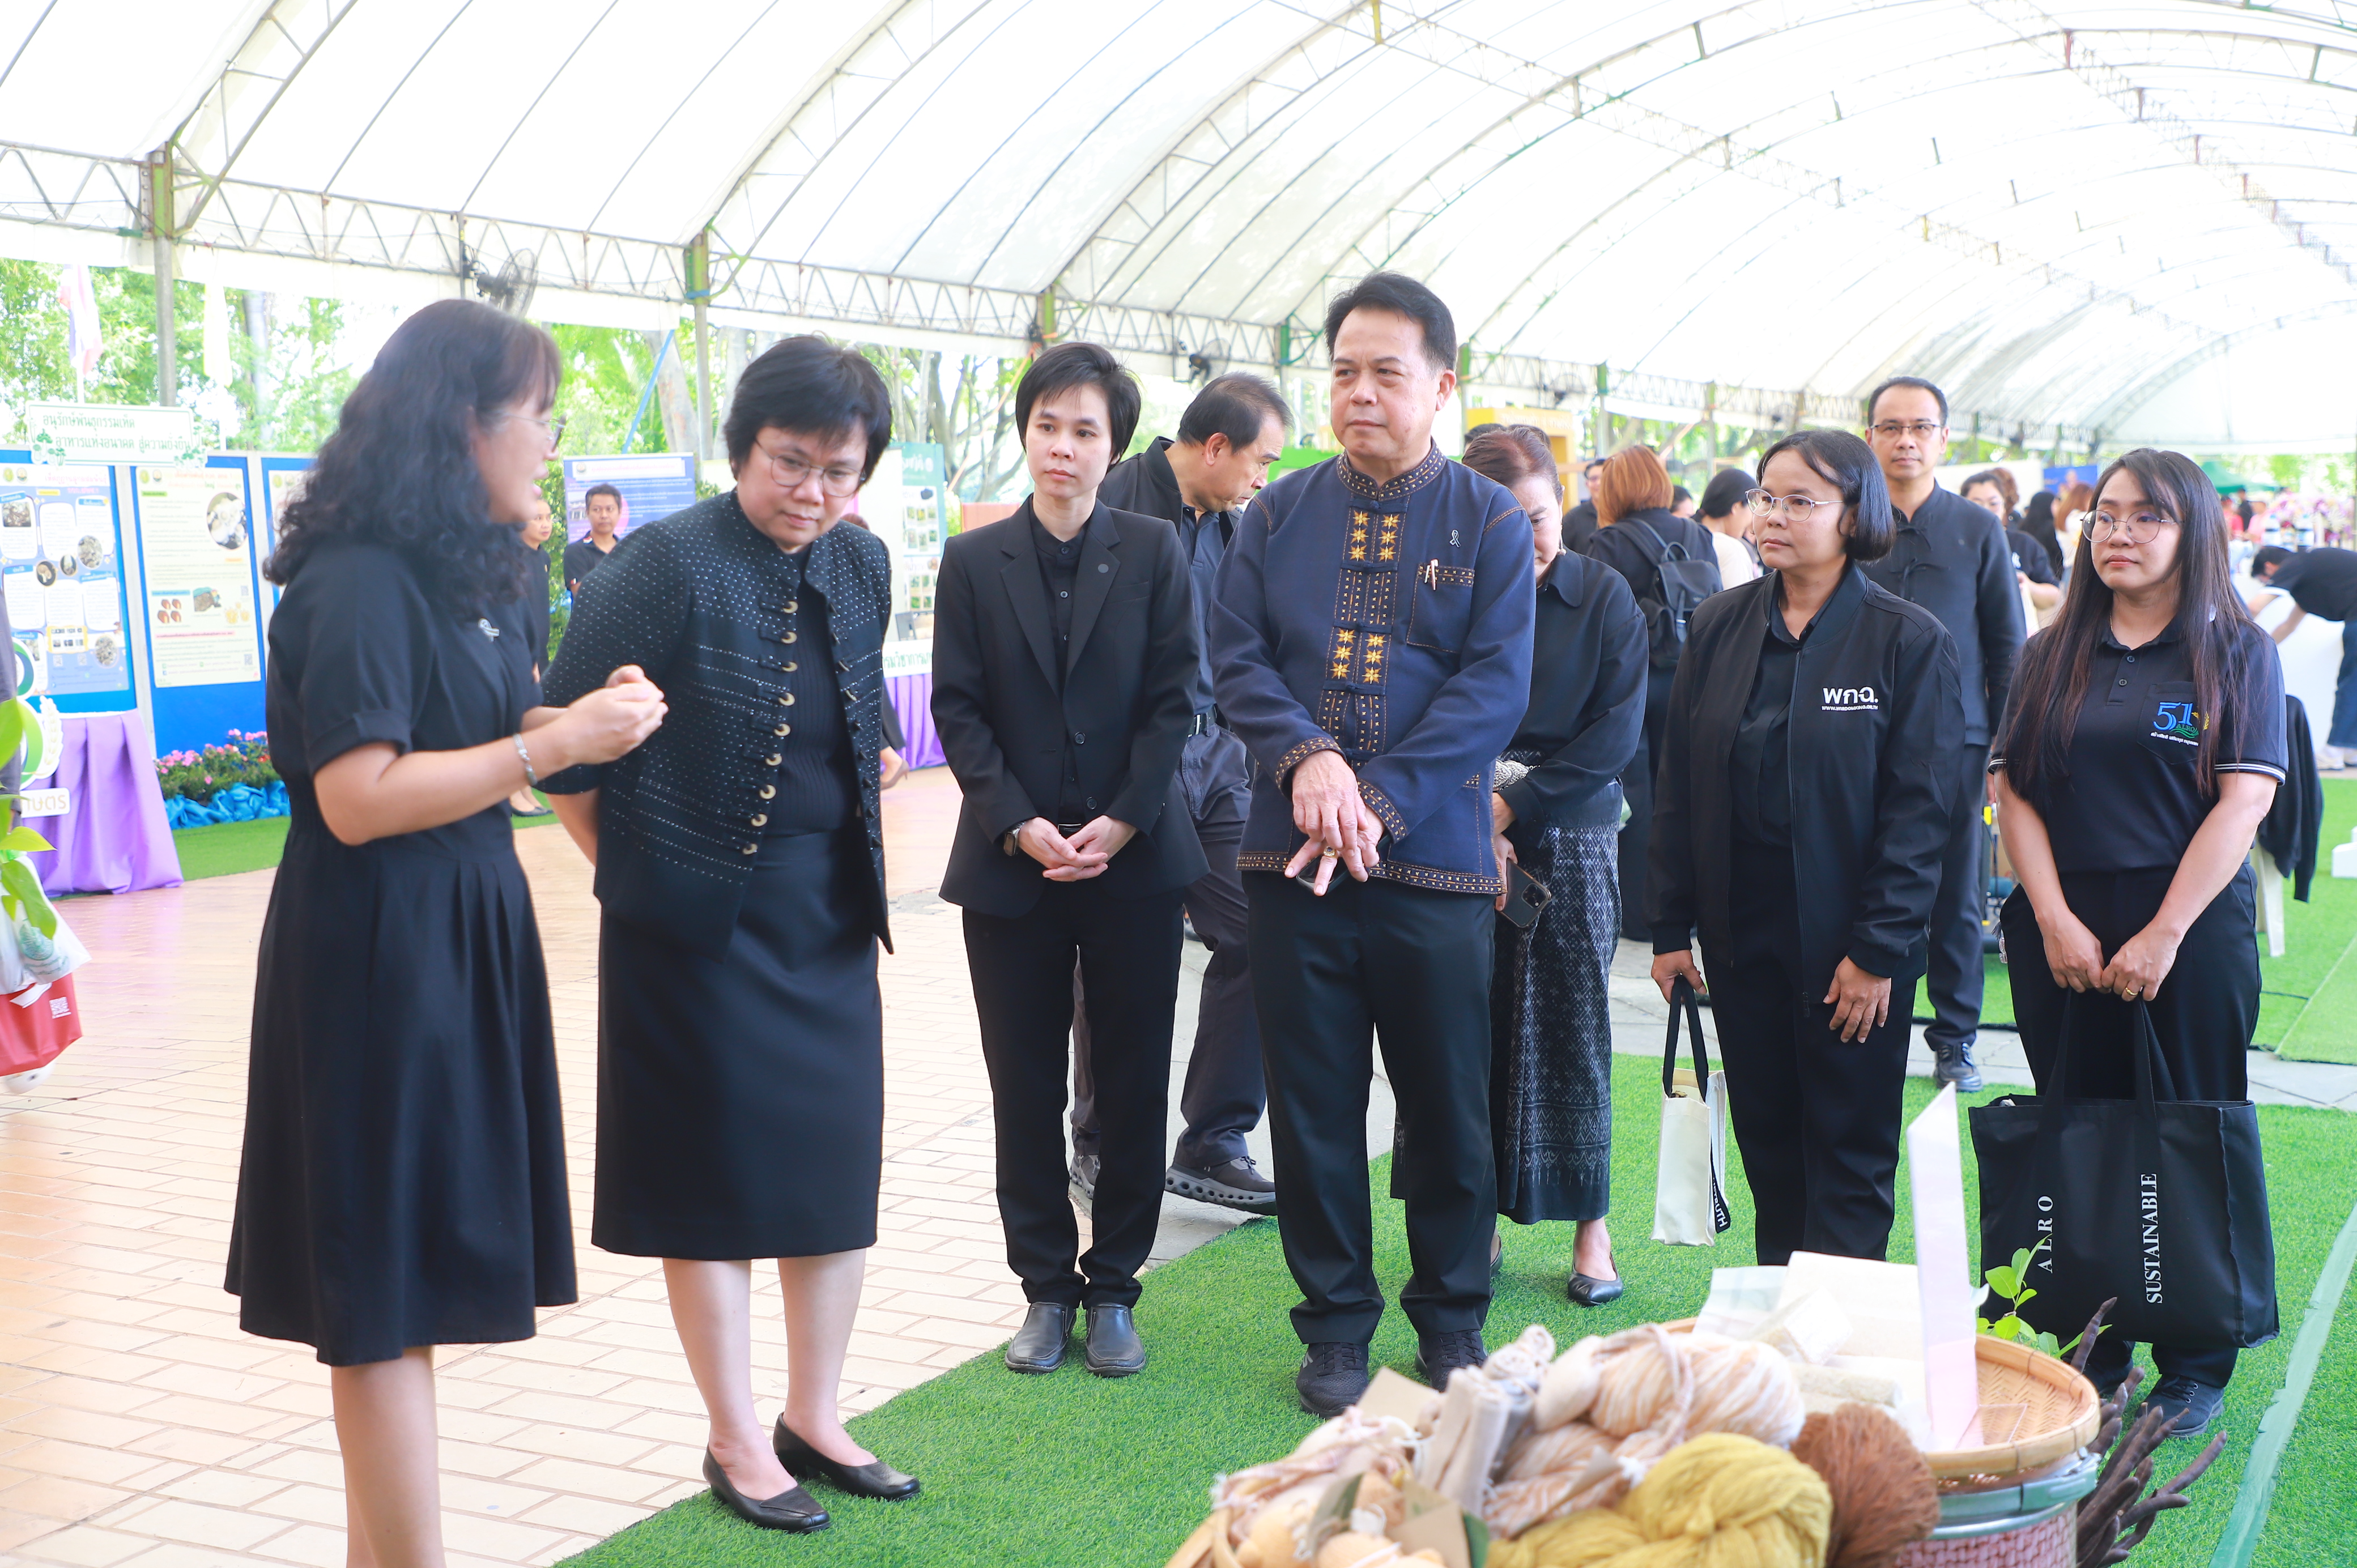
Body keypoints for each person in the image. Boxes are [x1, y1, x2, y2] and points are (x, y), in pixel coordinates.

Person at [228, 299, 667, 1567]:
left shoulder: (484, 566)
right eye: (534, 413)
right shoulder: (358, 578)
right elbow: (356, 798)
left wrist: (585, 716)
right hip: (374, 943)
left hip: (462, 927)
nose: (548, 440)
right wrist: (551, 742)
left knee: (410, 1273)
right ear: (458, 420)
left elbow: (493, 736)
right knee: (376, 1289)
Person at [542, 335, 913, 1533]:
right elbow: (559, 736)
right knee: (705, 1181)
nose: (811, 492)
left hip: (824, 916)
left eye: (838, 469)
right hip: (689, 926)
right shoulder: (661, 563)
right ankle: (735, 1434)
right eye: (787, 463)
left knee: (827, 1165)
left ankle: (816, 1411)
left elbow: (848, 712)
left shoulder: (862, 561)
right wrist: (643, 879)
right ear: (741, 449)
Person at [1212, 271, 1534, 1414]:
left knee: (1446, 1103)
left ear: (1440, 386)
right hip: (1293, 861)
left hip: (1436, 866)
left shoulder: (1491, 519)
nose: (1359, 391)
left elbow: (1492, 691)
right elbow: (1237, 659)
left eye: (1385, 371)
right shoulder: (1276, 512)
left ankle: (1450, 1319)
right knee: (1311, 1105)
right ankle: (1335, 1328)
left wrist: (1375, 800)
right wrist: (1309, 762)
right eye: (1343, 369)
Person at [1992, 449, 2284, 1439]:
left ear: (2191, 530)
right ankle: (2094, 1342)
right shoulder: (2050, 652)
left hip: (2190, 936)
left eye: (2145, 517)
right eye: (2105, 516)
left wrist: (2163, 931)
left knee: (2190, 1130)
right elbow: (2013, 791)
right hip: (2060, 932)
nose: (2117, 533)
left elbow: (2244, 801)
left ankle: (2195, 1360)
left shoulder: (2233, 652)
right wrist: (2053, 916)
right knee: (2077, 1127)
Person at [932, 341, 1206, 1380]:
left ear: (1115, 446)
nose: (1063, 447)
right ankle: (1045, 1287)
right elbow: (956, 706)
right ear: (1025, 435)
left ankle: (1118, 1286)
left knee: (1135, 1079)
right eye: (1047, 425)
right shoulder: (973, 559)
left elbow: (1177, 694)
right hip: (1012, 868)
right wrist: (1014, 820)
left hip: (1133, 861)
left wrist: (1129, 818)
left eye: (1085, 429)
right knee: (1023, 1081)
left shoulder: (1153, 550)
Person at [1649, 429, 1963, 1267]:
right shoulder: (1718, 625)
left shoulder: (1907, 639)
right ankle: (1783, 1333)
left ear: (1854, 513)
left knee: (1850, 1151)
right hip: (1739, 928)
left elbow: (1921, 812)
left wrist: (1876, 951)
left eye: (1800, 500)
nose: (1772, 516)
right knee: (1769, 1140)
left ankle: (1846, 1344)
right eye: (1764, 496)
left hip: (1848, 941)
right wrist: (1671, 928)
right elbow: (1678, 783)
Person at [1066, 372, 1293, 1216]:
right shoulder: (1115, 501)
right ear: (1216, 447)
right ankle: (1098, 1142)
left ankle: (1213, 1138)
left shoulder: (1234, 526)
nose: (1264, 477)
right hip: (1132, 767)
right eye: (1261, 460)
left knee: (1261, 932)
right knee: (1123, 958)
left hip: (1220, 760)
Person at [1460, 425, 1645, 1305]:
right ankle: (1474, 1217)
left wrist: (1512, 805)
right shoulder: (1455, 594)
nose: (1528, 538)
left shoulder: (1604, 593)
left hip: (1572, 830)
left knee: (1576, 1020)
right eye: (1505, 522)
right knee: (1464, 1024)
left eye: (1537, 516)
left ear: (1559, 502)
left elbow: (1615, 732)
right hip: (1455, 825)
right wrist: (1474, 808)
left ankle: (1591, 1229)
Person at [1860, 378, 2025, 1093]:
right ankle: (1866, 1026)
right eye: (1890, 427)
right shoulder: (1849, 523)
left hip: (1955, 744)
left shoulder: (1976, 529)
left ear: (1942, 440)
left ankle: (1954, 1038)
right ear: (1869, 436)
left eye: (1919, 427)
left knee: (1954, 896)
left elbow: (2006, 646)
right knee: (1862, 886)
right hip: (1856, 737)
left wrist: (2001, 750)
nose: (1905, 440)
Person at [1582, 445, 1722, 941]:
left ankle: (1643, 916)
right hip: (1693, 678)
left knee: (1636, 796)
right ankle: (1695, 910)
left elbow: (1594, 623)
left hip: (1631, 685)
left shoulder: (1609, 543)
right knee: (1688, 792)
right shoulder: (1698, 535)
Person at [2248, 543, 2357, 769]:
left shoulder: (2296, 563)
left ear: (2269, 568)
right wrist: (2254, 652)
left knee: (2350, 686)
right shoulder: (2311, 574)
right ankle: (2350, 750)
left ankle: (2333, 751)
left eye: (2264, 580)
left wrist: (2225, 641)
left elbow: (2255, 607)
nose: (2267, 584)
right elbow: (2288, 626)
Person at [508, 494, 557, 816]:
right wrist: (526, 656)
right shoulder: (511, 557)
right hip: (518, 649)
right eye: (536, 517)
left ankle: (527, 789)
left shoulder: (544, 558)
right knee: (514, 720)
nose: (543, 523)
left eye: (548, 517)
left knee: (531, 720)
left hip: (539, 648)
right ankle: (513, 792)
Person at [1964, 469, 2061, 620]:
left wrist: (2027, 586)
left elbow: (2054, 595)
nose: (1985, 511)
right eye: (1976, 504)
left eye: (1993, 504)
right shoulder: (1951, 546)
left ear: (2004, 506)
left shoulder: (2024, 545)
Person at [1696, 466, 1764, 588]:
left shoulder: (1687, 537)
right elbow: (1740, 605)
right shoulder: (1732, 550)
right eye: (1752, 508)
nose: (1752, 519)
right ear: (1736, 507)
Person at [565, 482, 623, 591]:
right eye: (597, 510)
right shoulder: (576, 551)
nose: (604, 515)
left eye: (610, 509)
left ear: (620, 512)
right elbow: (582, 594)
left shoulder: (627, 550)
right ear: (587, 513)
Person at [1562, 457, 1605, 552]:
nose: (1599, 483)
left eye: (1604, 478)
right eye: (1594, 479)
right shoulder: (1573, 518)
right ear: (1587, 484)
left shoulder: (1625, 515)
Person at [2021, 490, 2067, 579]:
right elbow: (2059, 553)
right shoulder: (2051, 527)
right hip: (2052, 574)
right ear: (2047, 505)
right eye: (2055, 504)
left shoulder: (2023, 525)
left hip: (2029, 574)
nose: (2058, 508)